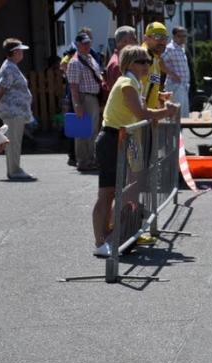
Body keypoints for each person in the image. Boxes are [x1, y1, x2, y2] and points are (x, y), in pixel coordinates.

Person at [92, 45, 179, 258]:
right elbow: (141, 113)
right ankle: (101, 241)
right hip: (111, 139)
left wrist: (160, 105)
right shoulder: (127, 83)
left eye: (148, 61)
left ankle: (112, 232)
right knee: (106, 194)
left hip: (121, 139)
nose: (146, 65)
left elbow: (141, 111)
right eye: (141, 61)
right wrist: (165, 112)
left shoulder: (135, 83)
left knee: (119, 189)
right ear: (129, 64)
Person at [0, 38, 33, 179]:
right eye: (20, 51)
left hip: (16, 111)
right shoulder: (9, 68)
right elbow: (2, 86)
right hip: (12, 111)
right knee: (13, 142)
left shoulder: (11, 66)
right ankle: (14, 171)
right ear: (15, 52)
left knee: (14, 141)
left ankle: (14, 169)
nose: (22, 53)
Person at [67, 32, 103, 172]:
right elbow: (73, 86)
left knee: (92, 131)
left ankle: (90, 159)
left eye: (88, 42)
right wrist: (77, 104)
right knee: (83, 131)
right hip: (84, 97)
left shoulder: (90, 58)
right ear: (78, 44)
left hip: (93, 97)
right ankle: (83, 161)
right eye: (84, 43)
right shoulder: (75, 62)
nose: (87, 45)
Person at [163, 27, 191, 117]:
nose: (183, 38)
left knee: (184, 114)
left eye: (184, 36)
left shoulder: (181, 48)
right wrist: (172, 74)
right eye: (180, 36)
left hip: (183, 85)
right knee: (177, 115)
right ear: (174, 37)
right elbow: (160, 62)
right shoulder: (170, 48)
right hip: (175, 86)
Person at [141, 22, 169, 110]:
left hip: (147, 113)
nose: (162, 41)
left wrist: (158, 95)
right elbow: (133, 90)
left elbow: (149, 82)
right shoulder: (142, 57)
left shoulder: (155, 58)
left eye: (164, 38)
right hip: (138, 115)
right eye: (157, 37)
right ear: (146, 38)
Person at [105, 26, 137, 93]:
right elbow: (121, 92)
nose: (136, 42)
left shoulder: (122, 61)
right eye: (134, 39)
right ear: (124, 41)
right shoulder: (117, 64)